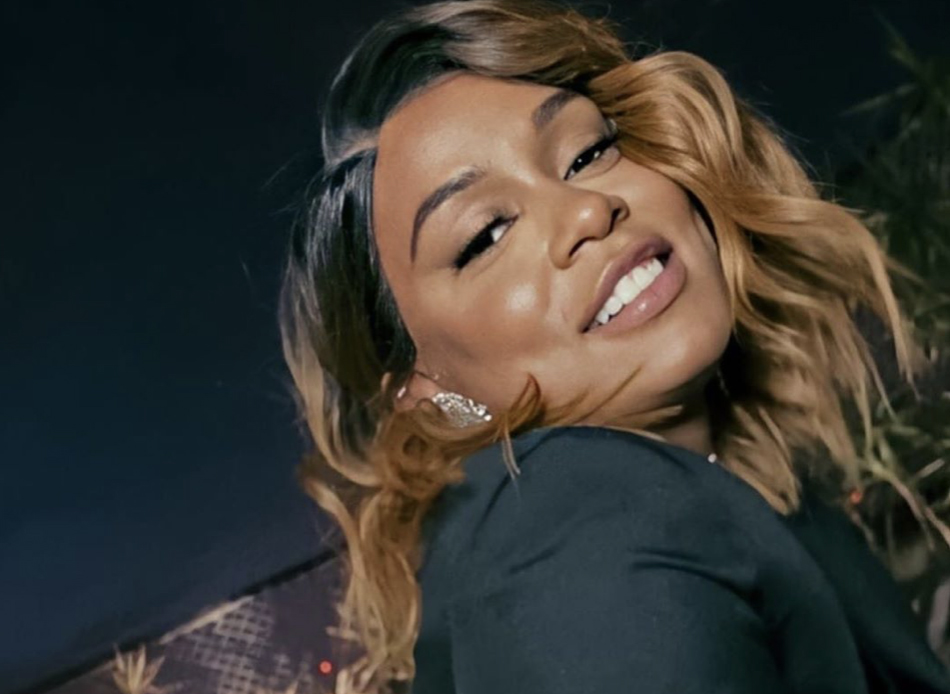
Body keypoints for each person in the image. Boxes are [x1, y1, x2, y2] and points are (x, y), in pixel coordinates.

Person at [278, 1, 950, 692]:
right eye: (486, 234)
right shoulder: (566, 533)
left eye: (587, 153)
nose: (587, 210)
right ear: (423, 393)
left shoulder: (740, 490)